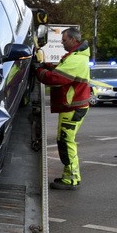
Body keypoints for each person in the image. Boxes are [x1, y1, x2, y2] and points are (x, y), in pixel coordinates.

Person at [34, 26, 91, 191]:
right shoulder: (75, 56)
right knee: (65, 141)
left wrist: (39, 71)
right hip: (73, 107)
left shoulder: (76, 59)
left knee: (67, 142)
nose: (62, 43)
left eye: (64, 40)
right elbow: (59, 69)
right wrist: (46, 66)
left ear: (73, 40)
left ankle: (72, 179)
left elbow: (56, 78)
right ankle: (70, 176)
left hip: (73, 108)